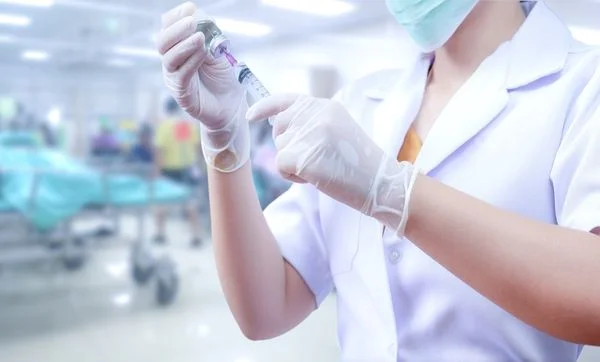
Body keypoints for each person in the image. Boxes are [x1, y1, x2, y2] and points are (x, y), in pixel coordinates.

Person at [157, 0, 600, 360]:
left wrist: (392, 190)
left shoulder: (583, 86)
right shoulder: (360, 105)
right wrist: (225, 140)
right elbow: (264, 309)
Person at [154, 98, 203, 247]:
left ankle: (160, 234)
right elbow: (195, 148)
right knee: (190, 203)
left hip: (168, 170)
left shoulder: (164, 126)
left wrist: (156, 172)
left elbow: (160, 151)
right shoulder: (186, 125)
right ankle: (195, 235)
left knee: (161, 202)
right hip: (186, 169)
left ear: (166, 110)